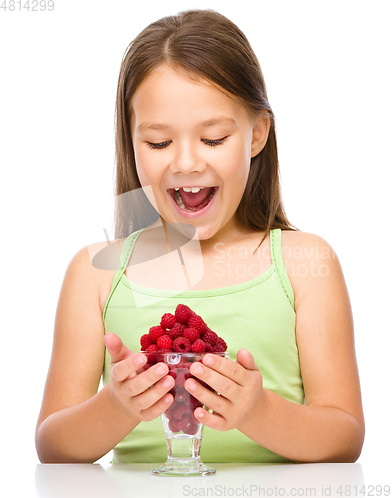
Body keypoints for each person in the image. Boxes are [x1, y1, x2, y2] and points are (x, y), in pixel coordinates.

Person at [35, 9, 364, 464]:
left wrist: (258, 409)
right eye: (158, 143)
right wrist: (115, 405)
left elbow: (344, 437)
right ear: (130, 142)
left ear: (257, 134)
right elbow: (53, 446)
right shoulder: (96, 273)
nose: (187, 163)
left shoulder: (305, 262)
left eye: (212, 139)